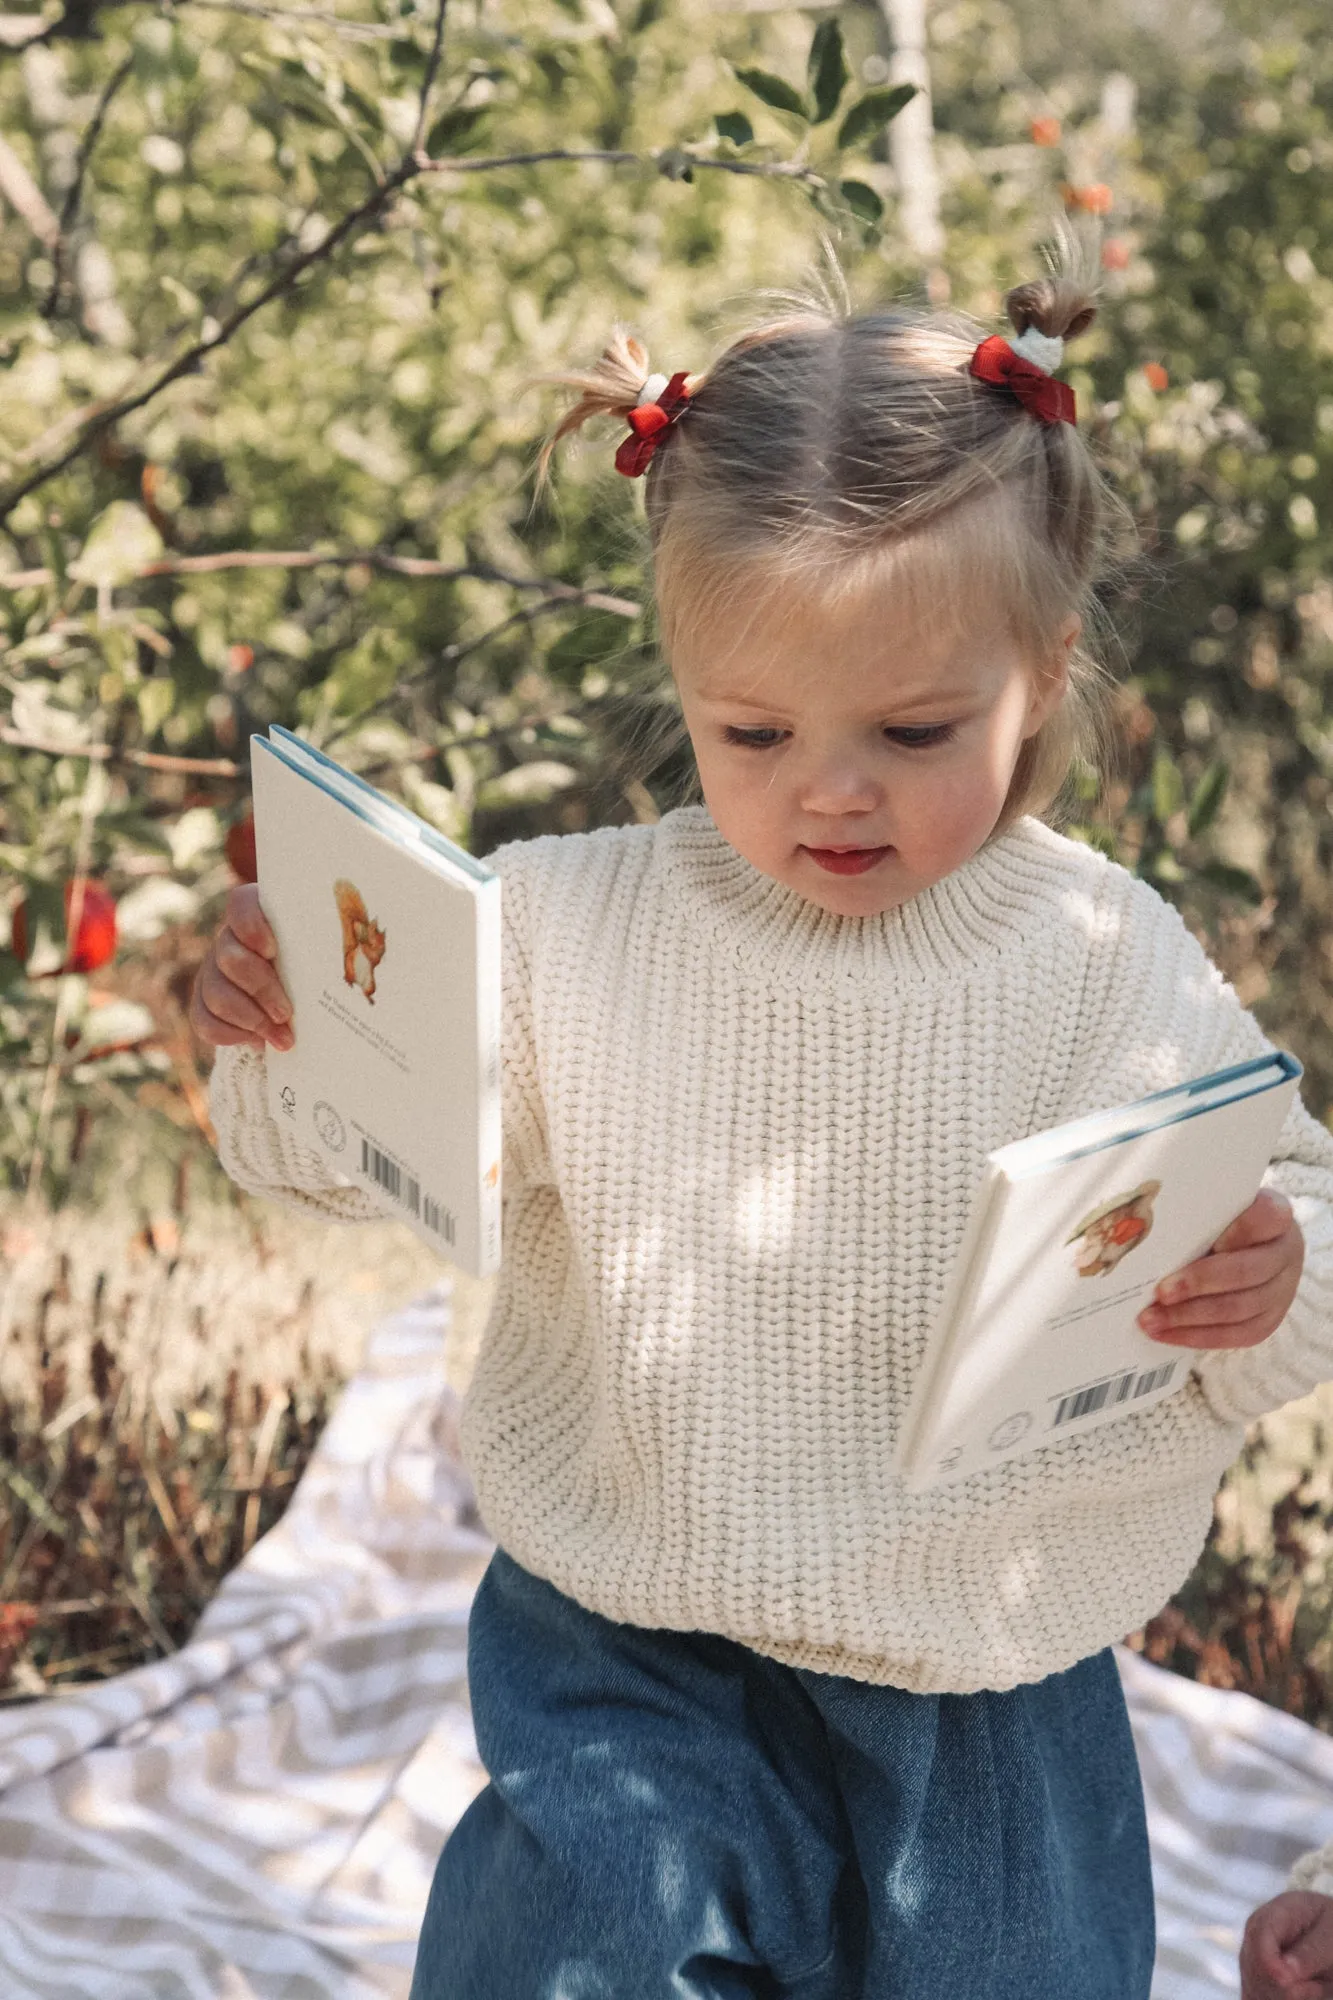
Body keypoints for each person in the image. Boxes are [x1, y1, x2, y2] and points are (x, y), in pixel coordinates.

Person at [191, 250, 1333, 1999]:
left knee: (1013, 1970)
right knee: (596, 1951)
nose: (830, 788)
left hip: (990, 1654)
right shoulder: (570, 928)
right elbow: (367, 1130)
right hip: (633, 1626)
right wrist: (289, 1043)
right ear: (685, 674)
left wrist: (1270, 1271)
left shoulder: (1105, 959)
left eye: (914, 727)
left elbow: (1293, 1196)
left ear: (1042, 669)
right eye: (753, 730)